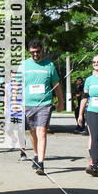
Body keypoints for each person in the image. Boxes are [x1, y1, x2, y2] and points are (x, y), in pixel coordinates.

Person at [20, 39, 64, 175]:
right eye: (33, 52)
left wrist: (61, 102)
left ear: (42, 51)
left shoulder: (49, 65)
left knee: (42, 131)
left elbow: (56, 85)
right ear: (29, 52)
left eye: (37, 52)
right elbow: (16, 85)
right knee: (33, 132)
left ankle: (41, 163)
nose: (35, 54)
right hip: (28, 104)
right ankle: (35, 154)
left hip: (44, 104)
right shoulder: (23, 65)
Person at [78, 55, 98, 176]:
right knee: (95, 136)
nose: (96, 63)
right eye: (94, 62)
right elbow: (84, 98)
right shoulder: (89, 80)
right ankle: (94, 163)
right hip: (92, 111)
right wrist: (80, 114)